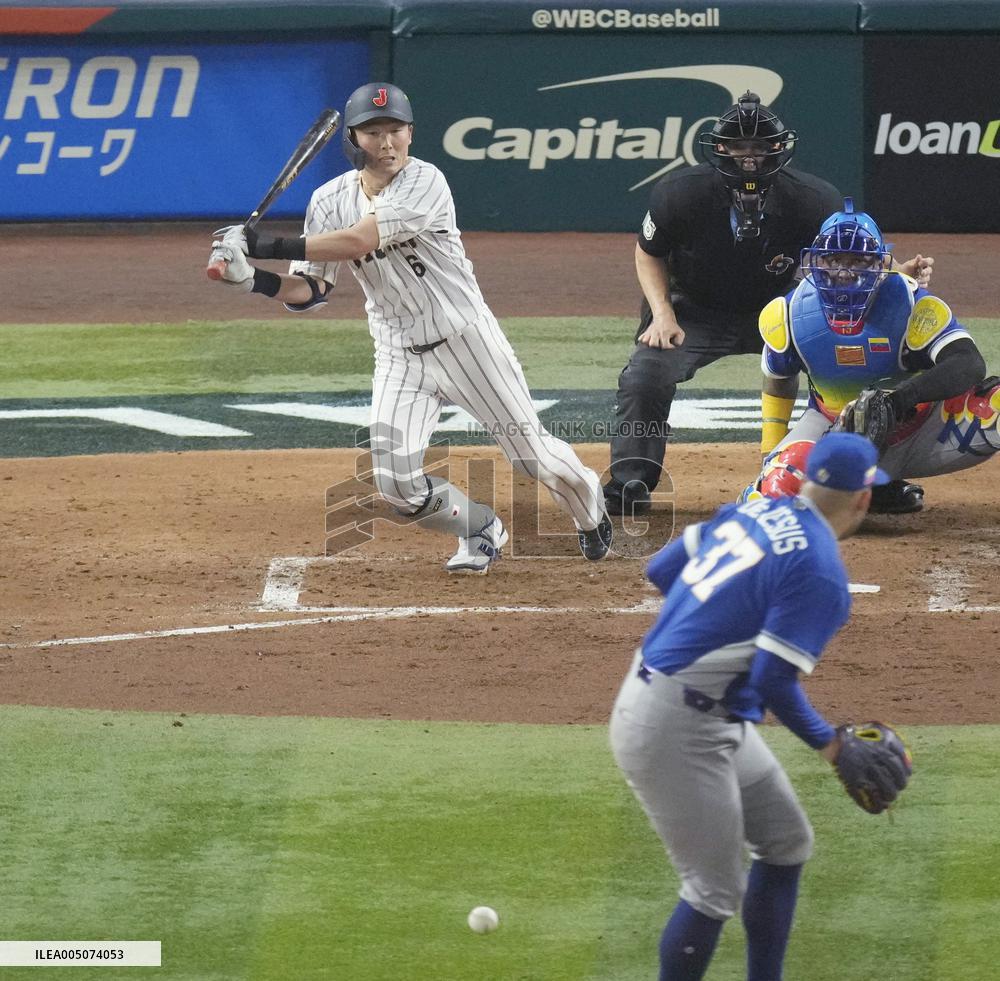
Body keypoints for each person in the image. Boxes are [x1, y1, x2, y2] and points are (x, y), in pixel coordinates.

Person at [206, 82, 612, 572]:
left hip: (468, 343)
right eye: (373, 132)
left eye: (395, 129)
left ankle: (589, 508)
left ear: (411, 133)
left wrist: (263, 244)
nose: (387, 142)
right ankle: (480, 527)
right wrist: (252, 280)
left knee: (533, 460)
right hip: (398, 354)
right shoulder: (329, 200)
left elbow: (358, 240)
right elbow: (311, 291)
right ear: (353, 139)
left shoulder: (427, 182)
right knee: (395, 483)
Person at [609, 433, 899, 981]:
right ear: (862, 499)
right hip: (675, 726)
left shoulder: (757, 508)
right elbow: (772, 680)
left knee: (786, 843)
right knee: (713, 890)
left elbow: (661, 571)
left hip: (685, 705)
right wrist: (832, 746)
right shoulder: (820, 572)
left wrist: (712, 621)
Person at [604, 91, 933, 516]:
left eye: (759, 146)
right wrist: (662, 314)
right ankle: (630, 481)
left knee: (855, 366)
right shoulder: (679, 193)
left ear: (778, 149)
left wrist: (897, 268)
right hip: (694, 310)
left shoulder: (813, 199)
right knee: (646, 375)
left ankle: (867, 480)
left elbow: (850, 246)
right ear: (719, 148)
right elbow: (648, 250)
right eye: (740, 146)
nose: (749, 156)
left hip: (784, 308)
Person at [746, 198, 999, 513]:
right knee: (773, 493)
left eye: (858, 261)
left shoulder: (912, 303)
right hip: (833, 431)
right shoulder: (787, 313)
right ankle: (865, 491)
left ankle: (864, 489)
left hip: (924, 429)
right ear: (814, 263)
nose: (844, 273)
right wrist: (771, 451)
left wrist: (898, 400)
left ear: (881, 265)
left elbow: (968, 363)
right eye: (833, 260)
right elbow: (778, 379)